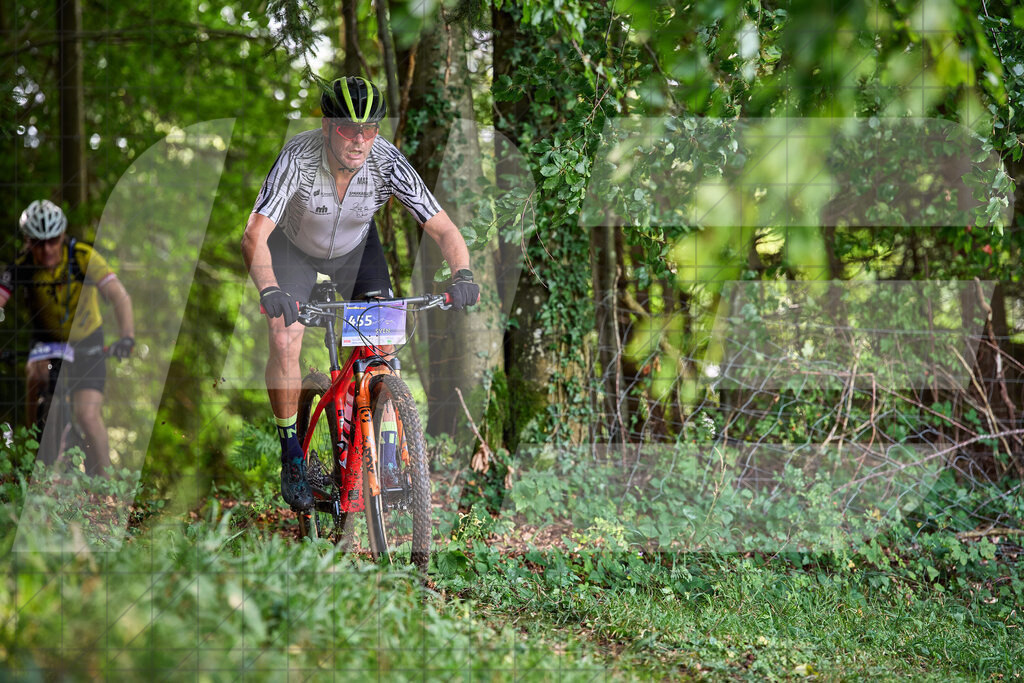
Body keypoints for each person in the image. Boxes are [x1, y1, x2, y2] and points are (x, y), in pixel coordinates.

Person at [242, 76, 479, 510]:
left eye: (370, 129)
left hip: (355, 251)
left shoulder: (386, 161)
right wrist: (271, 288)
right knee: (283, 335)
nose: (360, 139)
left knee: (382, 345)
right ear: (328, 125)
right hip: (293, 249)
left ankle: (386, 455)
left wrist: (462, 273)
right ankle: (291, 452)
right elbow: (255, 234)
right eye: (350, 128)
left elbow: (442, 227)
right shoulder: (299, 156)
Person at [0, 199, 135, 473]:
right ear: (28, 241)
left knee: (87, 415)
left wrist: (127, 337)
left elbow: (119, 296)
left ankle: (105, 484)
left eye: (52, 241)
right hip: (46, 340)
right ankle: (33, 458)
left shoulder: (82, 257)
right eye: (38, 243)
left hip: (87, 340)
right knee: (35, 376)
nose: (47, 249)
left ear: (62, 236)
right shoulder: (22, 265)